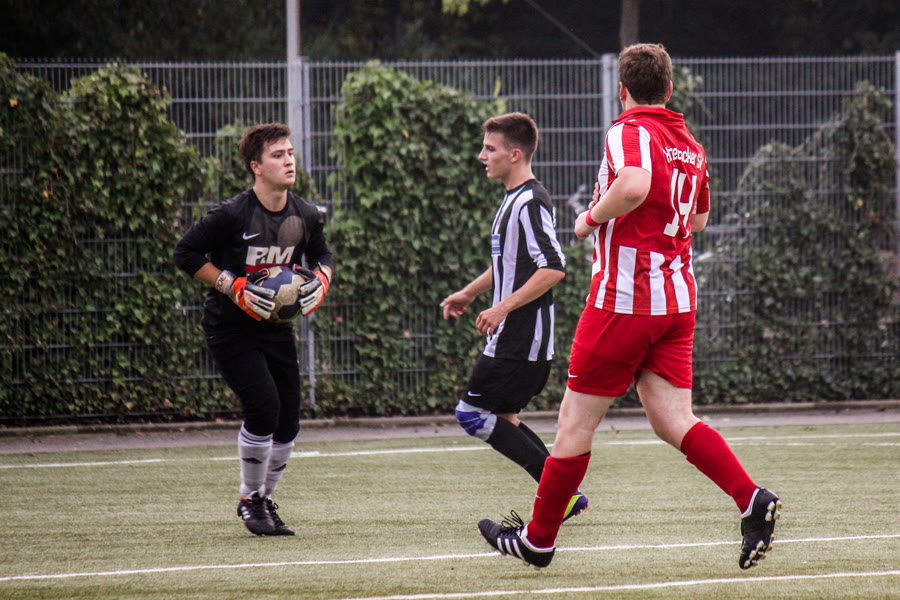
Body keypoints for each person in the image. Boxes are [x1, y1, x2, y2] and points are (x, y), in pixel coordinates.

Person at [477, 44, 781, 570]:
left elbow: (635, 184)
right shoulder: (690, 144)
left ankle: (538, 541)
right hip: (677, 300)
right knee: (672, 419)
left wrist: (590, 218)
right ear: (669, 89)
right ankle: (751, 500)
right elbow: (699, 220)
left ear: (622, 90)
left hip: (626, 301)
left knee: (573, 424)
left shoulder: (629, 129)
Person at [174, 122, 334, 536]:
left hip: (275, 329)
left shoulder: (305, 214)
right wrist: (231, 284)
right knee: (263, 406)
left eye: (290, 153)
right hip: (230, 327)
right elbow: (185, 252)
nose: (289, 161)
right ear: (256, 167)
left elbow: (323, 255)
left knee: (289, 421)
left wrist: (322, 280)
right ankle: (250, 500)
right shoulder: (232, 214)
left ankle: (261, 499)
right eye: (278, 155)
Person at [440, 112, 587, 522]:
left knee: (471, 414)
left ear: (515, 154)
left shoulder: (529, 201)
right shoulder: (514, 199)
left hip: (521, 338)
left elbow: (553, 267)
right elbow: (510, 263)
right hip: (518, 338)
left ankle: (561, 494)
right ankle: (565, 493)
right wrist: (471, 292)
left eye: (490, 149)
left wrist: (502, 307)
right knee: (503, 418)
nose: (482, 155)